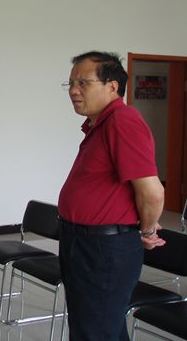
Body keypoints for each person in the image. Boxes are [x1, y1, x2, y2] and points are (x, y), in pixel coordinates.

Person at [58, 51, 166, 341]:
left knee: (94, 331)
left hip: (103, 248)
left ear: (112, 86)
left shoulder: (122, 120)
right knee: (100, 326)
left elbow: (152, 192)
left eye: (83, 82)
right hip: (83, 242)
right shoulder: (99, 124)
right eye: (70, 83)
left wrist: (146, 230)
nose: (73, 91)